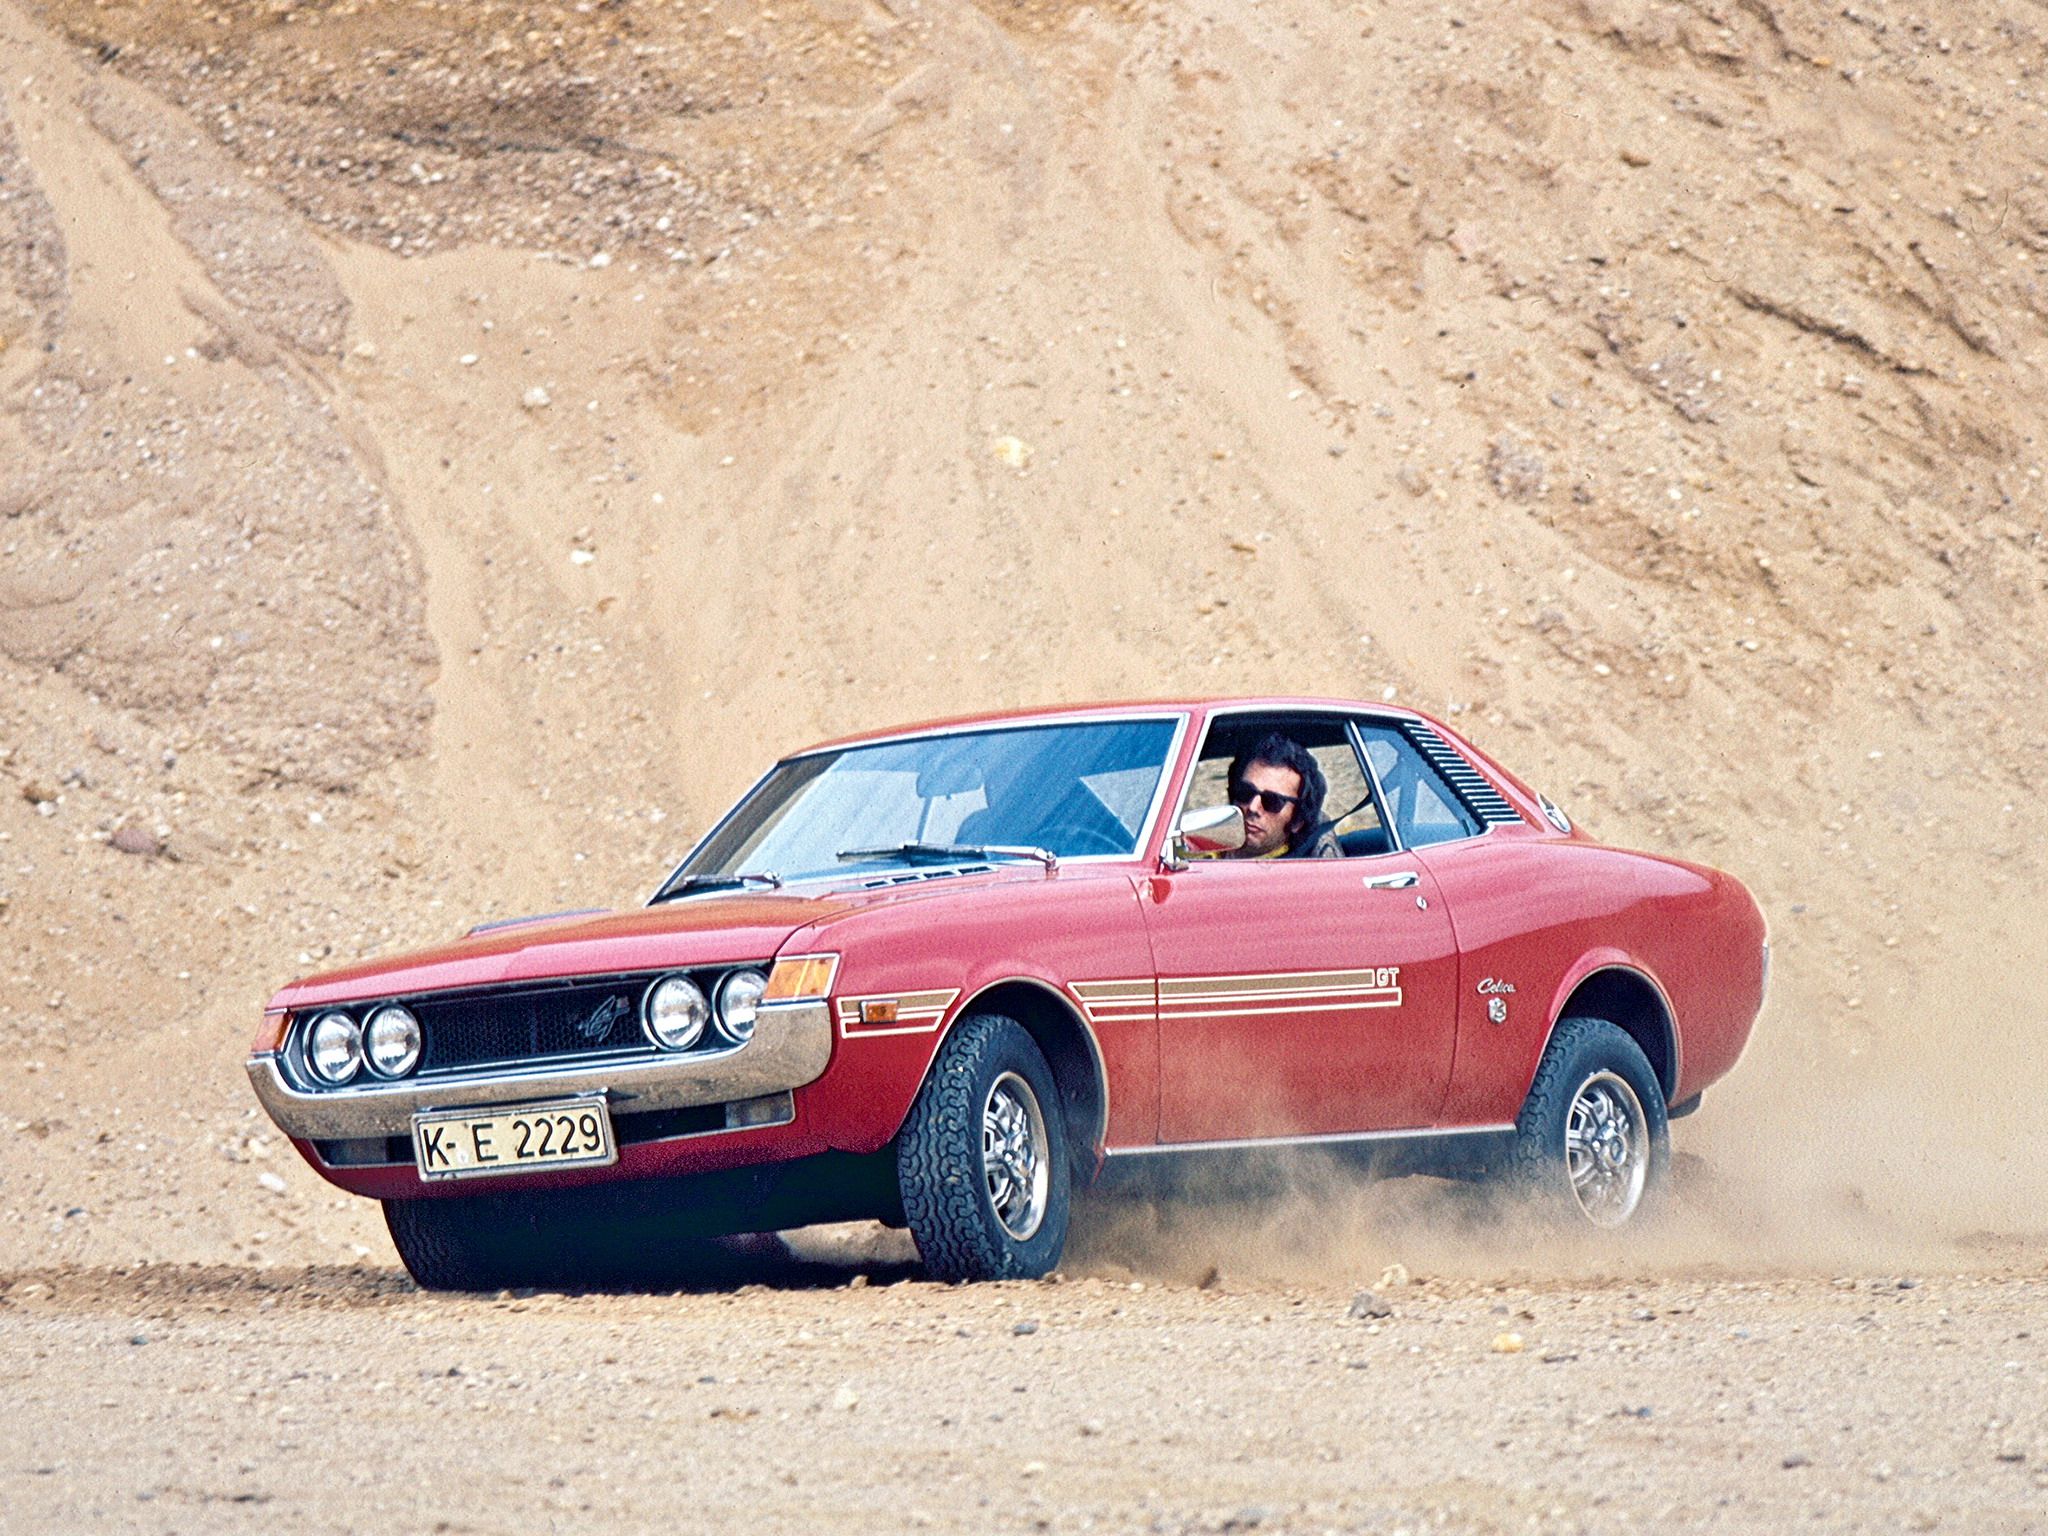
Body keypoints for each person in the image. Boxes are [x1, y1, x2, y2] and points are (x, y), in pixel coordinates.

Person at [1216, 733, 1341, 859]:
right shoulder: (1202, 852)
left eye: (1272, 801)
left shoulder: (1298, 875)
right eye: (1245, 792)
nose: (1253, 808)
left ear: (1297, 821)